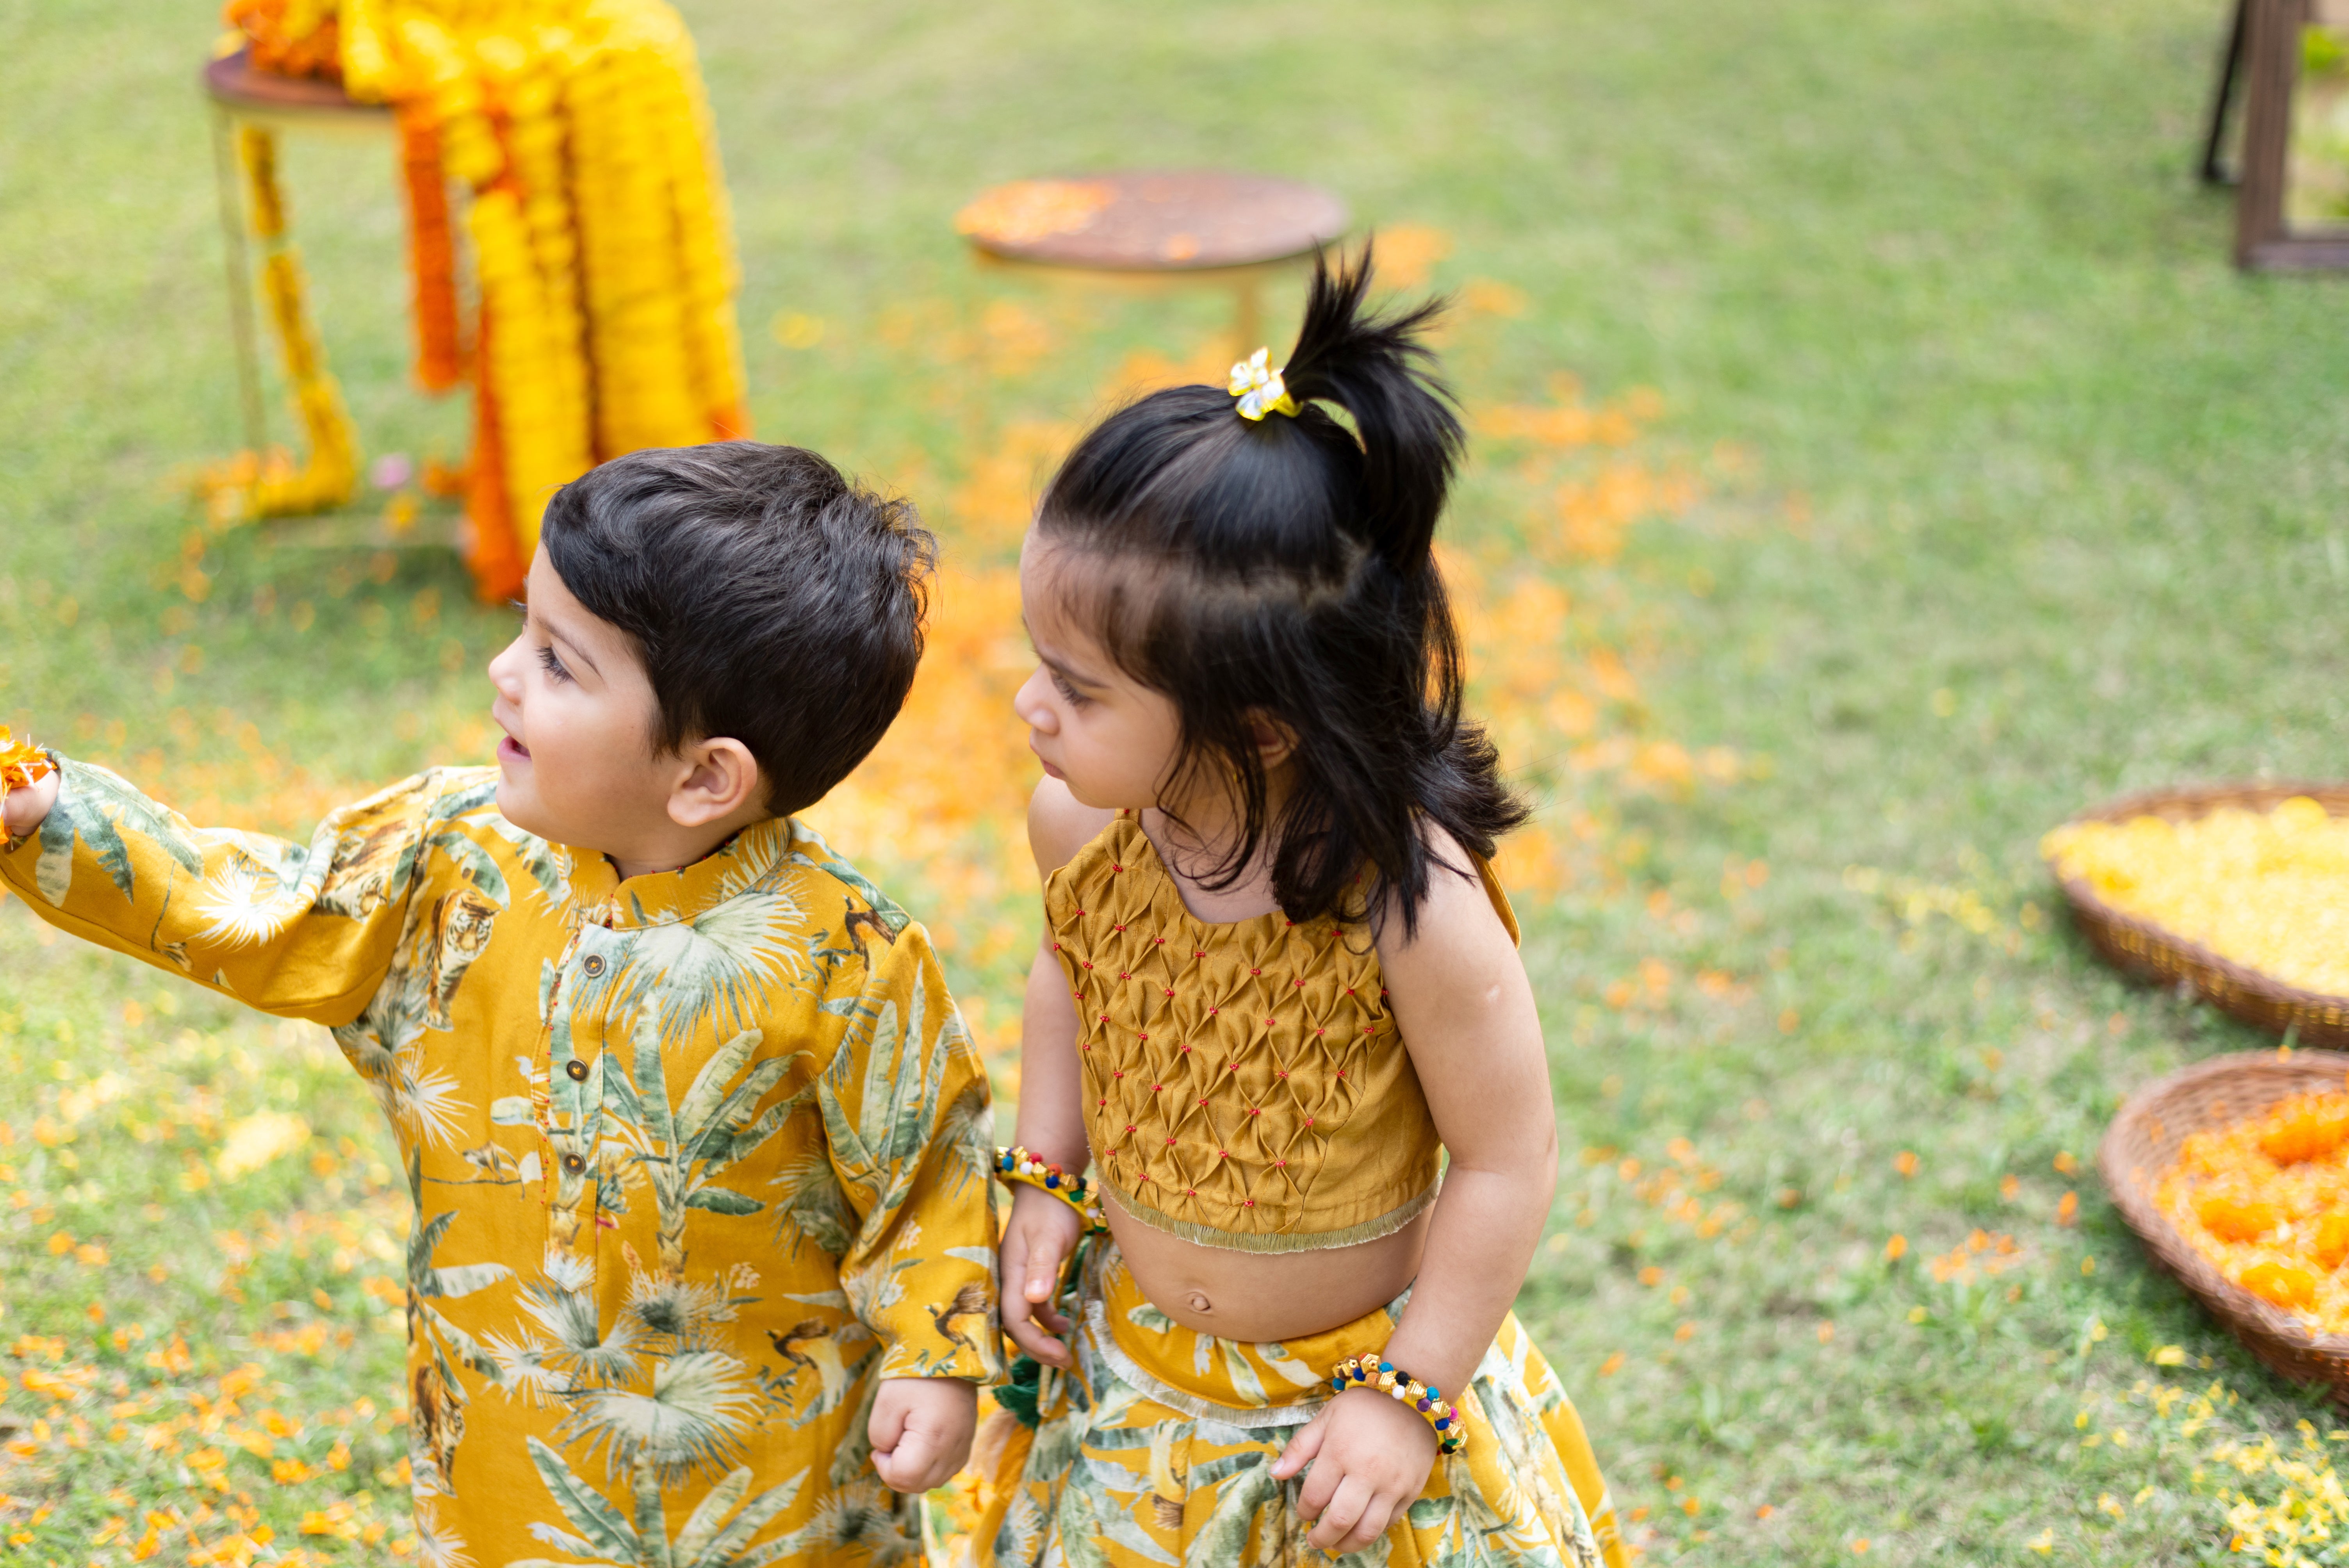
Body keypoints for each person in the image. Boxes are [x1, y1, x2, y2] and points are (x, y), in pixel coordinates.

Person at [0, 444, 1003, 1565]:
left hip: (765, 1490)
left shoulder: (841, 958)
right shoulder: (449, 856)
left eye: (560, 664)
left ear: (707, 777)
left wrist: (936, 1356)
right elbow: (274, 911)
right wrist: (64, 822)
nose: (502, 672)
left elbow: (926, 1173)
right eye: (526, 629)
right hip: (502, 1455)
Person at [968, 249, 1627, 1567]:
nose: (1030, 706)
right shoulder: (1084, 832)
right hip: (1141, 1389)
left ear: (1260, 723)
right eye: (1039, 661)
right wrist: (1049, 1172)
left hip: (1346, 1412)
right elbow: (1069, 980)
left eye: (1080, 688)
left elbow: (1507, 1158)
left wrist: (1412, 1396)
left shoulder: (1409, 905)